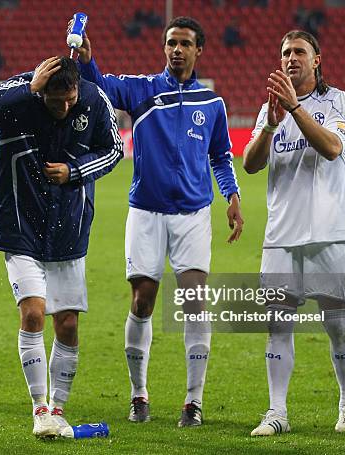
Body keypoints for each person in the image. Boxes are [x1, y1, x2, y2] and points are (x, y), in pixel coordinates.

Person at [76, 16, 244, 427]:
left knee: (194, 303)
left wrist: (232, 197)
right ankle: (139, 395)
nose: (176, 50)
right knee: (143, 301)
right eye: (171, 43)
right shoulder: (144, 90)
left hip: (193, 214)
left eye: (185, 43)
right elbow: (101, 85)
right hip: (147, 212)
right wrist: (85, 61)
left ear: (198, 50)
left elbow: (221, 156)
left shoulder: (212, 104)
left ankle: (193, 400)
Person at [0, 56, 123, 438]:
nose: (65, 108)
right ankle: (40, 409)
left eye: (70, 100)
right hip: (20, 226)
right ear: (42, 91)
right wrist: (28, 89)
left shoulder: (92, 98)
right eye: (56, 102)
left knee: (67, 323)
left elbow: (114, 150)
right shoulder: (22, 93)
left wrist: (74, 172)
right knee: (34, 314)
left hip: (69, 228)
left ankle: (59, 408)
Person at [243, 30, 345, 435]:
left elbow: (331, 148)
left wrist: (294, 108)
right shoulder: (269, 108)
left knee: (337, 324)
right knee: (277, 323)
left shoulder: (337, 101)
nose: (291, 58)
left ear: (317, 59)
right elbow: (250, 164)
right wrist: (271, 126)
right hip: (280, 235)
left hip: (329, 232)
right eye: (285, 53)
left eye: (299, 52)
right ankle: (277, 412)